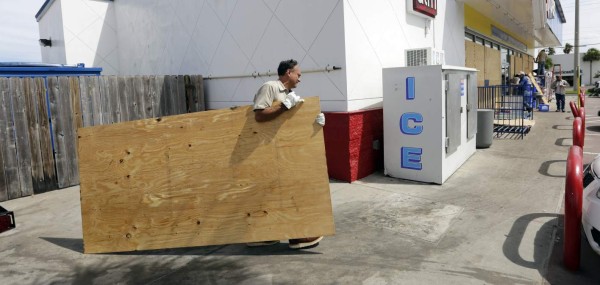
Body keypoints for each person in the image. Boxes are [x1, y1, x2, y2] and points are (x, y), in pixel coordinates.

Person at [248, 59, 325, 249]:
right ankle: (293, 236)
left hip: (282, 150)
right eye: (298, 74)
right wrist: (283, 106)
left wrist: (315, 123)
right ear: (288, 73)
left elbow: (288, 123)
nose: (300, 78)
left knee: (284, 191)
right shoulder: (271, 87)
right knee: (279, 191)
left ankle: (272, 235)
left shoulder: (289, 94)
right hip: (265, 149)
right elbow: (258, 115)